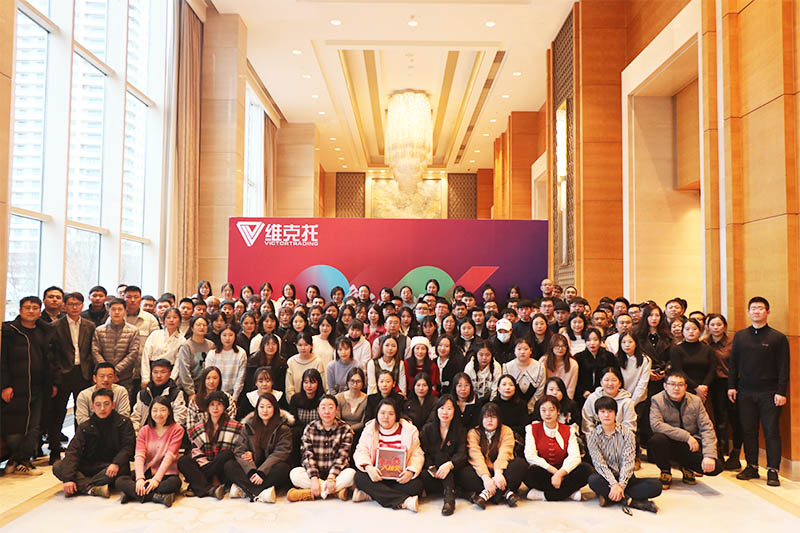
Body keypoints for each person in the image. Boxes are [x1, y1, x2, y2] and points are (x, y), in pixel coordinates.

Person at [728, 297, 790, 487]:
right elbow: (733, 364)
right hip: (745, 391)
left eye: (760, 308)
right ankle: (752, 466)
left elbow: (784, 367)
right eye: (753, 308)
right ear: (748, 312)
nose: (756, 311)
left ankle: (773, 470)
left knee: (771, 431)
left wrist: (781, 392)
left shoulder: (778, 338)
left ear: (768, 312)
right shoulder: (740, 336)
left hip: (770, 392)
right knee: (748, 430)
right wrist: (731, 386)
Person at [1, 296, 56, 475]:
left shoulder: (45, 331)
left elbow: (50, 360)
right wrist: (5, 385)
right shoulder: (10, 331)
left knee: (34, 427)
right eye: (27, 307)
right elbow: (3, 361)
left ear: (40, 311)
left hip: (38, 387)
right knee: (14, 427)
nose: (31, 311)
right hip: (16, 388)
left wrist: (53, 383)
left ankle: (22, 460)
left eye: (35, 308)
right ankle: (14, 459)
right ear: (20, 310)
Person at [53, 388, 136, 498]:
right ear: (92, 407)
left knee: (121, 470)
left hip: (110, 466)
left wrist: (116, 463)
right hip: (89, 466)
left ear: (113, 405)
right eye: (98, 405)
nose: (102, 408)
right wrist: (68, 479)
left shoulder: (124, 423)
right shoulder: (85, 427)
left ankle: (82, 485)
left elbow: (128, 448)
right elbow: (73, 451)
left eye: (106, 404)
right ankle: (91, 488)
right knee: (58, 466)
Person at [649, 371, 722, 489]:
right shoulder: (657, 400)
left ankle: (687, 467)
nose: (676, 388)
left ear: (686, 386)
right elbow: (656, 425)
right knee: (657, 440)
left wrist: (709, 455)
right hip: (670, 442)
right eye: (672, 384)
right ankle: (665, 470)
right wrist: (686, 436)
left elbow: (707, 428)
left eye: (680, 385)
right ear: (665, 386)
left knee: (716, 467)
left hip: (691, 446)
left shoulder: (696, 401)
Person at [586, 396, 660, 513]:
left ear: (615, 413)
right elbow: (599, 463)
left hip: (626, 477)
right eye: (602, 412)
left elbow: (628, 461)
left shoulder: (627, 433)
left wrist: (621, 485)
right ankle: (631, 501)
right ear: (597, 415)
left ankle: (609, 496)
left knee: (656, 486)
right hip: (605, 478)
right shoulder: (592, 436)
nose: (606, 415)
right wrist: (613, 484)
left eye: (610, 411)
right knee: (593, 480)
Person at [352, 399, 424, 512]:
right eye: (382, 413)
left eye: (390, 414)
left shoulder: (408, 430)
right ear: (377, 414)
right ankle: (404, 501)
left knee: (417, 486)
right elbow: (361, 450)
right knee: (359, 477)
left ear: (396, 415)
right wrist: (369, 467)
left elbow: (417, 454)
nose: (386, 417)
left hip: (399, 478)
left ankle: (371, 494)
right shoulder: (370, 429)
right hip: (377, 476)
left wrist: (410, 471)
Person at [49, 292, 96, 464]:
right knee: (58, 413)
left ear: (82, 305)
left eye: (78, 304)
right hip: (63, 374)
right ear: (64, 306)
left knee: (81, 412)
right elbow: (51, 353)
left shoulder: (90, 326)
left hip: (83, 373)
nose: (74, 307)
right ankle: (54, 450)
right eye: (71, 304)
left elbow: (92, 351)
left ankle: (79, 449)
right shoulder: (55, 326)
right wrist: (56, 374)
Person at [116, 397, 185, 506]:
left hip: (166, 473)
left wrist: (156, 480)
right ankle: (156, 497)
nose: (159, 414)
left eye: (163, 410)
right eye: (155, 410)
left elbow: (170, 456)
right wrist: (140, 479)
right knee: (120, 481)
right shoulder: (144, 430)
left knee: (174, 484)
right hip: (147, 471)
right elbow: (139, 455)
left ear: (169, 412)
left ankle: (132, 493)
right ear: (150, 412)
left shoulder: (177, 429)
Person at [288, 394, 356, 501]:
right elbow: (307, 455)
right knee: (295, 474)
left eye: (330, 407)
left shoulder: (345, 428)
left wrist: (332, 477)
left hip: (336, 474)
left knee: (351, 474)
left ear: (336, 410)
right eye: (323, 408)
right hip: (316, 473)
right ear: (318, 410)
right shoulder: (310, 428)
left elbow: (343, 456)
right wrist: (314, 479)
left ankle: (310, 492)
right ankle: (334, 492)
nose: (327, 411)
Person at [458, 402, 526, 509]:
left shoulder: (506, 431)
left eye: (493, 417)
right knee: (463, 473)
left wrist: (498, 473)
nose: (489, 420)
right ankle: (504, 492)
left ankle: (486, 494)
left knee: (520, 464)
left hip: (502, 470)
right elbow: (475, 456)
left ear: (499, 418)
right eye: (486, 417)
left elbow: (505, 453)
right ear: (481, 419)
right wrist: (486, 478)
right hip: (482, 472)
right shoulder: (473, 433)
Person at [179, 390, 243, 499]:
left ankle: (197, 485)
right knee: (183, 461)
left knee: (226, 454)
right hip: (204, 466)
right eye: (212, 404)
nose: (215, 408)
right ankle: (210, 490)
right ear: (207, 407)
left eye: (219, 404)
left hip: (223, 471)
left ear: (224, 407)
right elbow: (196, 451)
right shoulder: (199, 426)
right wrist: (208, 466)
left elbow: (237, 451)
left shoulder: (235, 426)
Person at [524, 395, 590, 501]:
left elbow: (575, 456)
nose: (547, 414)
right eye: (543, 410)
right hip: (544, 472)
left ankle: (544, 495)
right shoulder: (532, 429)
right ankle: (568, 492)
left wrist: (561, 473)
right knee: (530, 472)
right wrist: (554, 471)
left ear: (558, 411)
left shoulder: (569, 430)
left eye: (551, 410)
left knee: (586, 469)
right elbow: (530, 456)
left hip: (565, 473)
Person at [229, 393, 292, 503]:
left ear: (275, 409)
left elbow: (280, 453)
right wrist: (251, 470)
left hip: (269, 468)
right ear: (257, 408)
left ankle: (246, 489)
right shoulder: (248, 426)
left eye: (269, 407)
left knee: (283, 468)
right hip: (252, 467)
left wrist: (262, 472)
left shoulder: (283, 429)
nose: (265, 410)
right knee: (229, 465)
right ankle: (261, 491)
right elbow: (239, 450)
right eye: (261, 406)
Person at [704, 313, 742, 469]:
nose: (716, 328)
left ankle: (735, 455)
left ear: (725, 326)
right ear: (707, 327)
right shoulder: (704, 343)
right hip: (712, 384)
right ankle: (718, 452)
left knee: (734, 418)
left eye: (719, 325)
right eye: (712, 325)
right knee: (717, 419)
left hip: (730, 383)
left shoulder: (733, 343)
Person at [420, 394, 467, 516]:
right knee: (423, 478)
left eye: (449, 408)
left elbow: (462, 454)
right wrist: (432, 468)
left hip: (452, 469)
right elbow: (422, 452)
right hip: (432, 471)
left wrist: (449, 465)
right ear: (436, 410)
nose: (445, 412)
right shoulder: (427, 429)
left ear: (454, 411)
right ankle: (456, 491)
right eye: (442, 408)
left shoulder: (460, 430)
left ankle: (449, 498)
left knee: (445, 459)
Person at [130, 359, 187, 432]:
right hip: (144, 432)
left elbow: (180, 418)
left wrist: (165, 432)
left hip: (167, 433)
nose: (158, 376)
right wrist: (138, 433)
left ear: (170, 373)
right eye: (155, 372)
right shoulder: (143, 394)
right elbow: (135, 418)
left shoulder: (176, 393)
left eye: (163, 372)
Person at [669, 318, 716, 402]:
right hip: (684, 389)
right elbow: (678, 370)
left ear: (700, 331)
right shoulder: (676, 350)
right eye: (687, 329)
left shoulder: (708, 349)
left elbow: (712, 370)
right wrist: (696, 388)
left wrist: (704, 387)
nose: (691, 332)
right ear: (682, 331)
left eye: (694, 329)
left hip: (705, 390)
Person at [582, 367, 636, 434]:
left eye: (614, 380)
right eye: (606, 380)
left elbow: (629, 426)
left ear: (620, 383)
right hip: (594, 437)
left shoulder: (627, 402)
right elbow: (587, 422)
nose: (610, 383)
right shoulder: (592, 398)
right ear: (601, 382)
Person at [141, 308, 185, 388]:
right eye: (168, 317)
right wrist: (145, 378)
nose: (171, 320)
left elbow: (178, 363)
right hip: (152, 371)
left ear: (179, 321)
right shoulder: (155, 334)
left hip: (169, 372)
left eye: (175, 317)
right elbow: (145, 356)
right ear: (164, 320)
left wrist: (171, 379)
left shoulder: (182, 340)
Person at [204, 324, 247, 402]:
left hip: (233, 394)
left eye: (230, 335)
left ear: (235, 336)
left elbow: (240, 379)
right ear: (220, 336)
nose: (227, 338)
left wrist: (234, 398)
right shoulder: (212, 354)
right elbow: (208, 377)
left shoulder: (241, 353)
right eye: (224, 335)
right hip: (214, 394)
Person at [502, 338, 545, 414]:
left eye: (526, 349)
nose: (522, 352)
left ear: (531, 350)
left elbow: (540, 390)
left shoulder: (540, 366)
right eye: (519, 349)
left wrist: (530, 407)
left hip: (535, 408)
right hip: (512, 408)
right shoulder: (507, 367)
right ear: (514, 351)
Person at [176, 315, 216, 397]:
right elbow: (184, 371)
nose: (202, 327)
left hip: (206, 387)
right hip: (189, 388)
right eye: (198, 325)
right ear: (192, 328)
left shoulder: (211, 345)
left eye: (204, 325)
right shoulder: (186, 346)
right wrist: (191, 392)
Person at [574, 327, 615, 405]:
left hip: (605, 395)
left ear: (600, 341)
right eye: (588, 340)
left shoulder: (609, 356)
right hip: (583, 396)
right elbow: (575, 379)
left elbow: (615, 376)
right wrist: (583, 391)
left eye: (595, 340)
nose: (592, 343)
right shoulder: (578, 357)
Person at [285, 332, 327, 401]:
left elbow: (323, 385)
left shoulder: (318, 361)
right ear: (296, 345)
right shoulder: (291, 362)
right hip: (297, 402)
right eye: (300, 345)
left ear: (311, 345)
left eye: (306, 345)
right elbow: (289, 389)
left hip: (315, 401)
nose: (303, 348)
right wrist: (295, 402)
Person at [539, 334, 579, 399]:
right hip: (546, 399)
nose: (560, 349)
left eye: (563, 346)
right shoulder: (543, 361)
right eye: (557, 346)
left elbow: (571, 389)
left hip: (565, 399)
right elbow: (541, 386)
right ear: (551, 347)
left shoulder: (573, 364)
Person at [336, 367, 368, 440]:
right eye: (352, 381)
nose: (355, 384)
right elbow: (337, 419)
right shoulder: (339, 398)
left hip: (360, 433)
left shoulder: (367, 399)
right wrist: (346, 429)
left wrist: (351, 429)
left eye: (358, 381)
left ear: (363, 383)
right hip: (341, 431)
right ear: (347, 382)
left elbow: (364, 422)